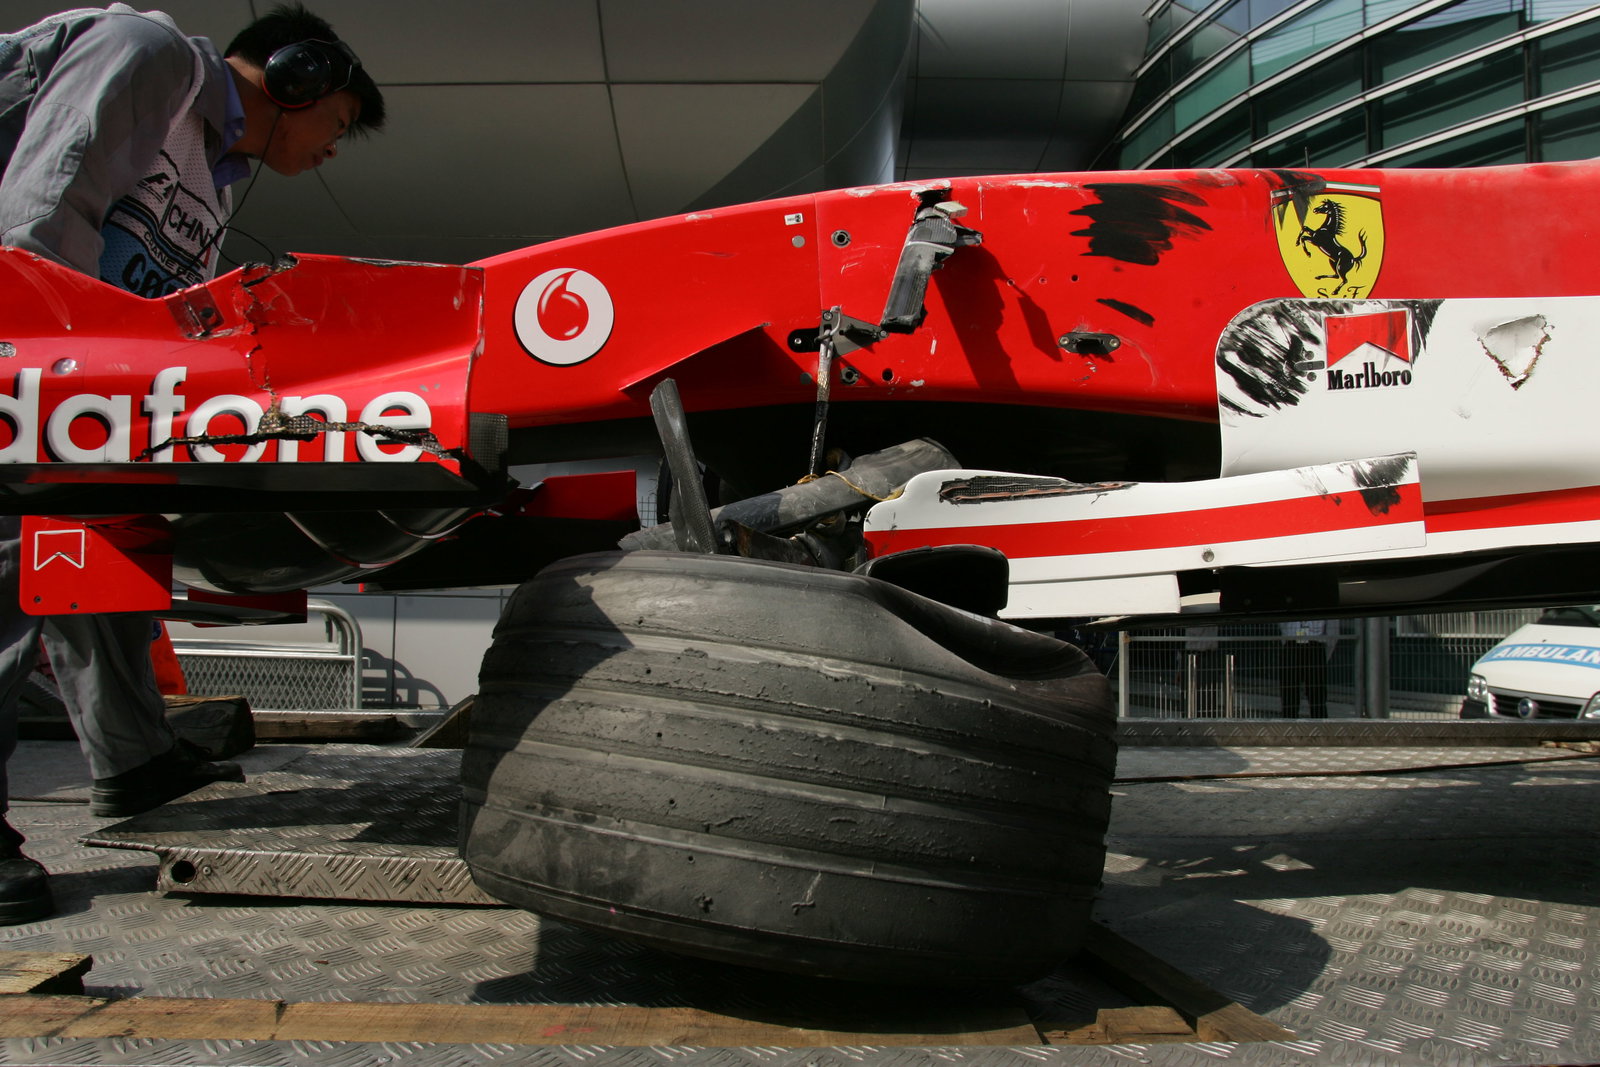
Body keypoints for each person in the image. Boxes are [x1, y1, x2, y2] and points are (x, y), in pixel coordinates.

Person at [0, 3, 385, 925]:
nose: (333, 149)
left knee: (96, 545)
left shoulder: (211, 185)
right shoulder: (150, 55)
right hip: (25, 344)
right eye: (337, 123)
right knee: (6, 558)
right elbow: (39, 219)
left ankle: (134, 760)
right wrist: (38, 393)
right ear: (297, 78)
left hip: (66, 378)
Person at [1279, 619, 1333, 718]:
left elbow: (1332, 630)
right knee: (1289, 689)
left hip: (1315, 645)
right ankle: (1289, 721)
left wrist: (1325, 654)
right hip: (1292, 643)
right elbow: (1282, 623)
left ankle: (1319, 722)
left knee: (1317, 691)